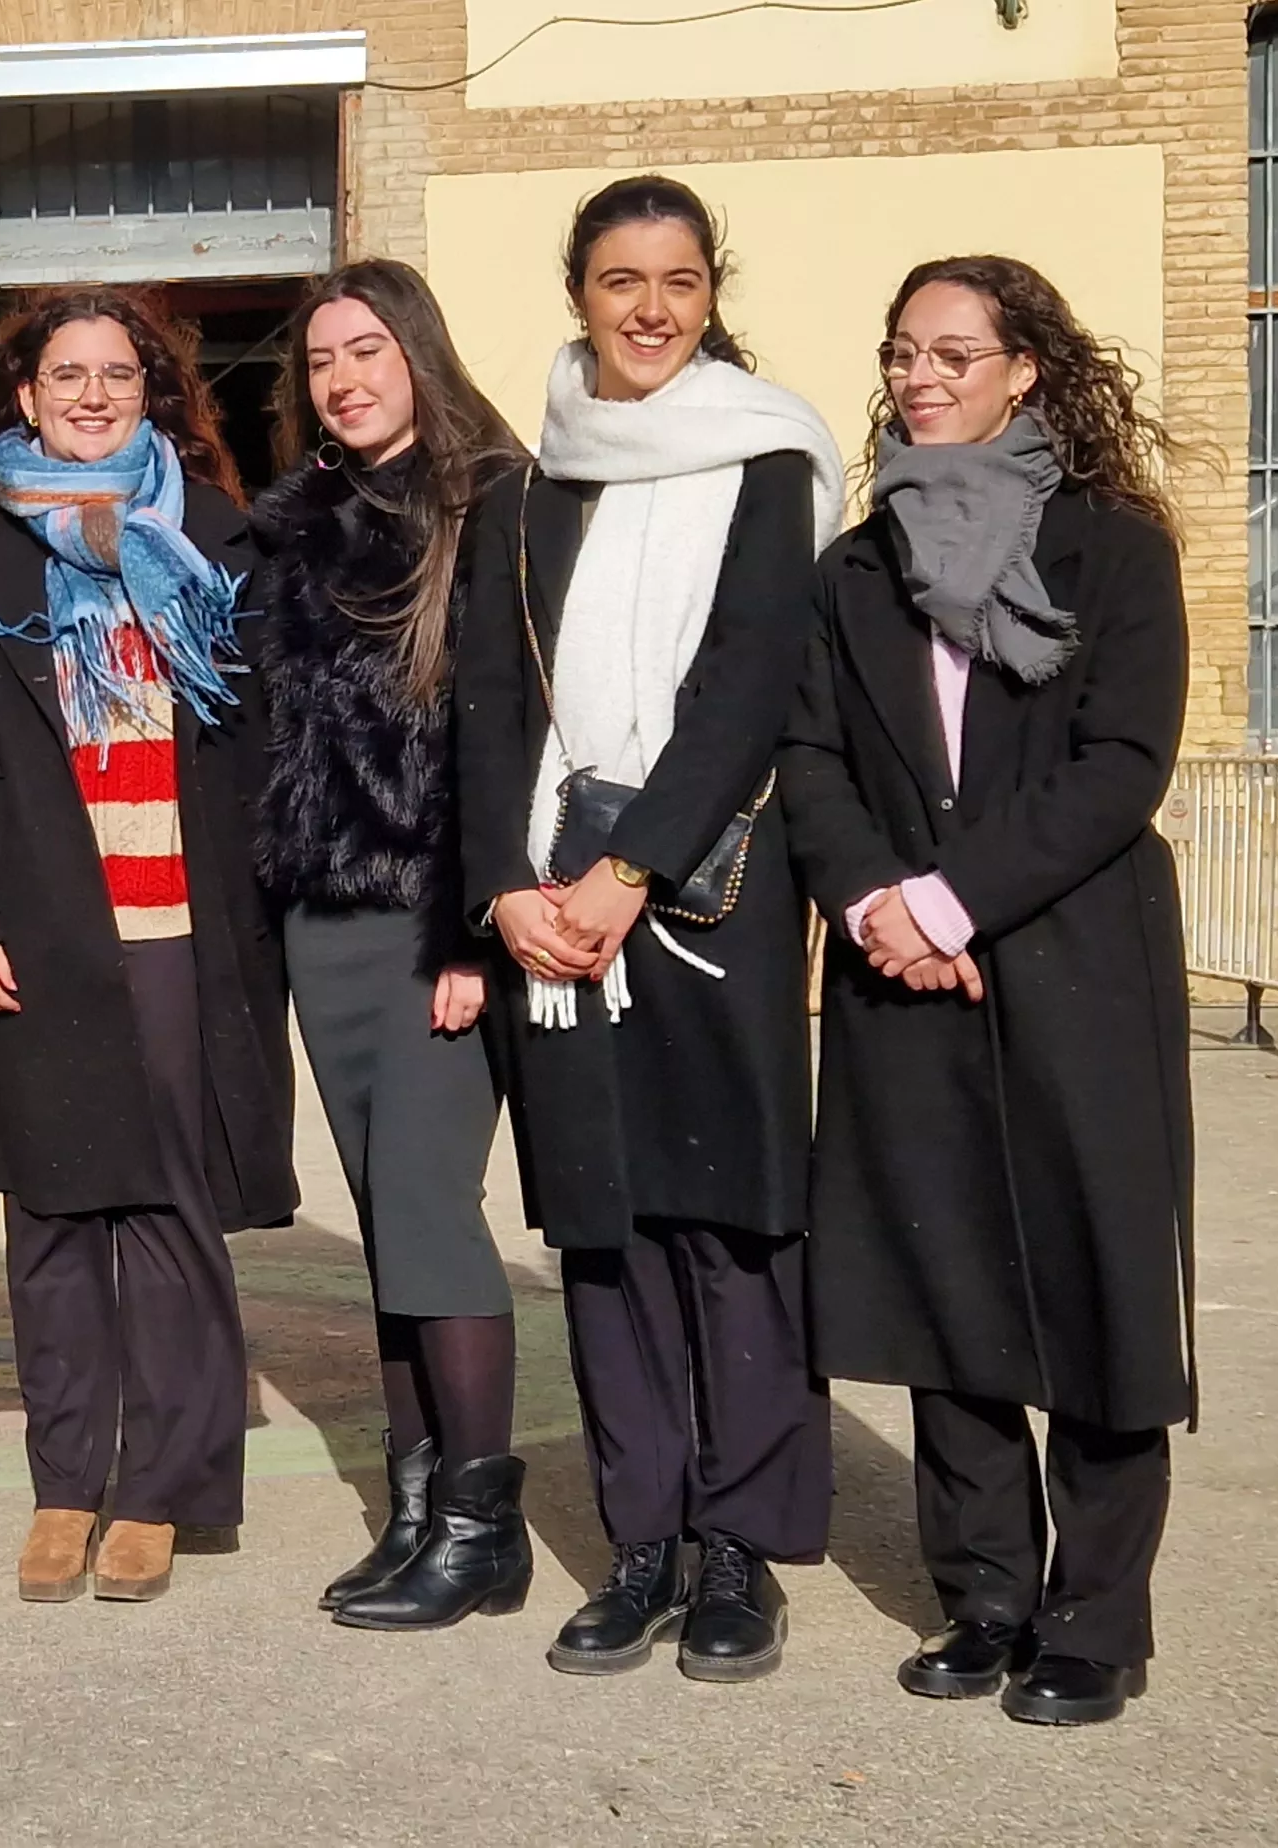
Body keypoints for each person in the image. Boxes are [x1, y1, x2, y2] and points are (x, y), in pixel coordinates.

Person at [778, 254, 1196, 1727]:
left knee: (1093, 1290)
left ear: (1025, 370)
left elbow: (1119, 769)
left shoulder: (1113, 552)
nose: (921, 378)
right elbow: (813, 760)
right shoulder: (856, 569)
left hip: (1075, 967)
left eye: (956, 353)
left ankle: (1096, 1617)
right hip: (907, 975)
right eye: (903, 353)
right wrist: (878, 904)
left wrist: (953, 895)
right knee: (939, 1287)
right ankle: (986, 1596)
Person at [455, 176, 846, 1681]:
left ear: (710, 288)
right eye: (622, 280)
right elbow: (494, 701)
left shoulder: (767, 455)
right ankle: (643, 1541)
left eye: (678, 279)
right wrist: (509, 886)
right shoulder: (528, 481)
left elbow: (753, 680)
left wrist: (632, 871)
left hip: (715, 886)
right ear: (579, 294)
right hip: (553, 901)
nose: (651, 309)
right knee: (603, 1225)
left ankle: (740, 1548)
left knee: (733, 1219)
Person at [0, 289, 292, 1605]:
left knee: (171, 1209)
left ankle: (164, 1489)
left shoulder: (224, 545)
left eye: (114, 375)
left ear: (154, 393)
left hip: (185, 924)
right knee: (57, 1215)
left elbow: (260, 745)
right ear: (22, 396)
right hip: (36, 928)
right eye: (63, 375)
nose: (89, 396)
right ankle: (66, 1483)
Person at [248, 259, 535, 1632]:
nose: (345, 379)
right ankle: (417, 1504)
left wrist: (476, 924)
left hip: (438, 925)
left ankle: (484, 1527)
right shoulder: (298, 524)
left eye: (368, 350)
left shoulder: (489, 502)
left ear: (420, 350)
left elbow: (508, 739)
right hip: (324, 922)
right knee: (383, 1224)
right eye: (321, 361)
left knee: (431, 1210)